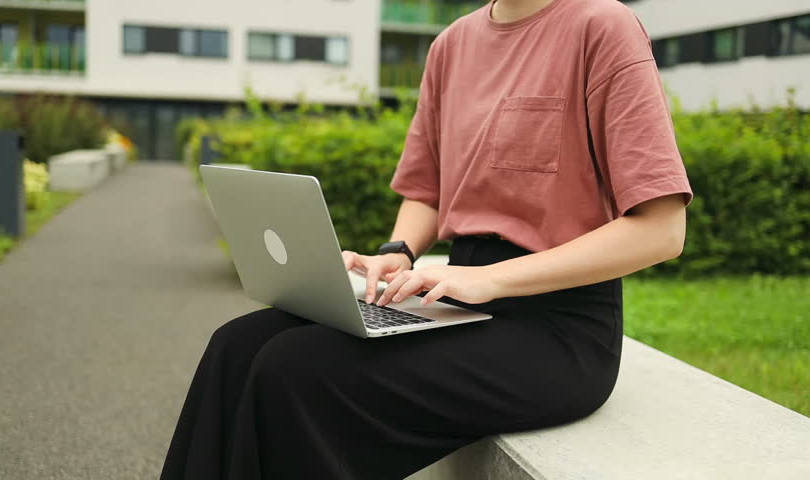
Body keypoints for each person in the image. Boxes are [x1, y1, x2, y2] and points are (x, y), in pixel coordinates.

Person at [159, 0, 694, 478]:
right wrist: (396, 253)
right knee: (235, 345)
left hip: (559, 327)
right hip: (451, 298)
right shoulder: (451, 45)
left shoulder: (602, 26)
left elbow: (662, 230)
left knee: (296, 369)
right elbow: (428, 192)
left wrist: (489, 279)